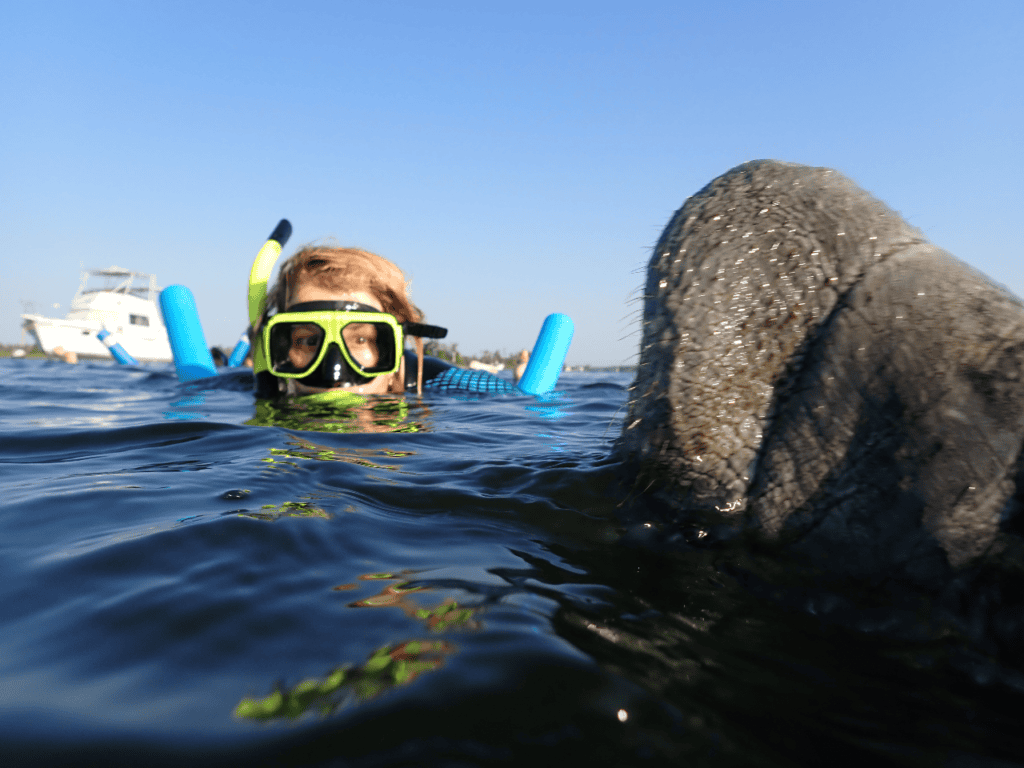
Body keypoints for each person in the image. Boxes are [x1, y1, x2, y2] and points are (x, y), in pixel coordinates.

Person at [253, 245, 446, 398]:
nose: (333, 376)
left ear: (394, 348)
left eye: (361, 340)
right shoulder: (240, 387)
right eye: (309, 341)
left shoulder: (448, 382)